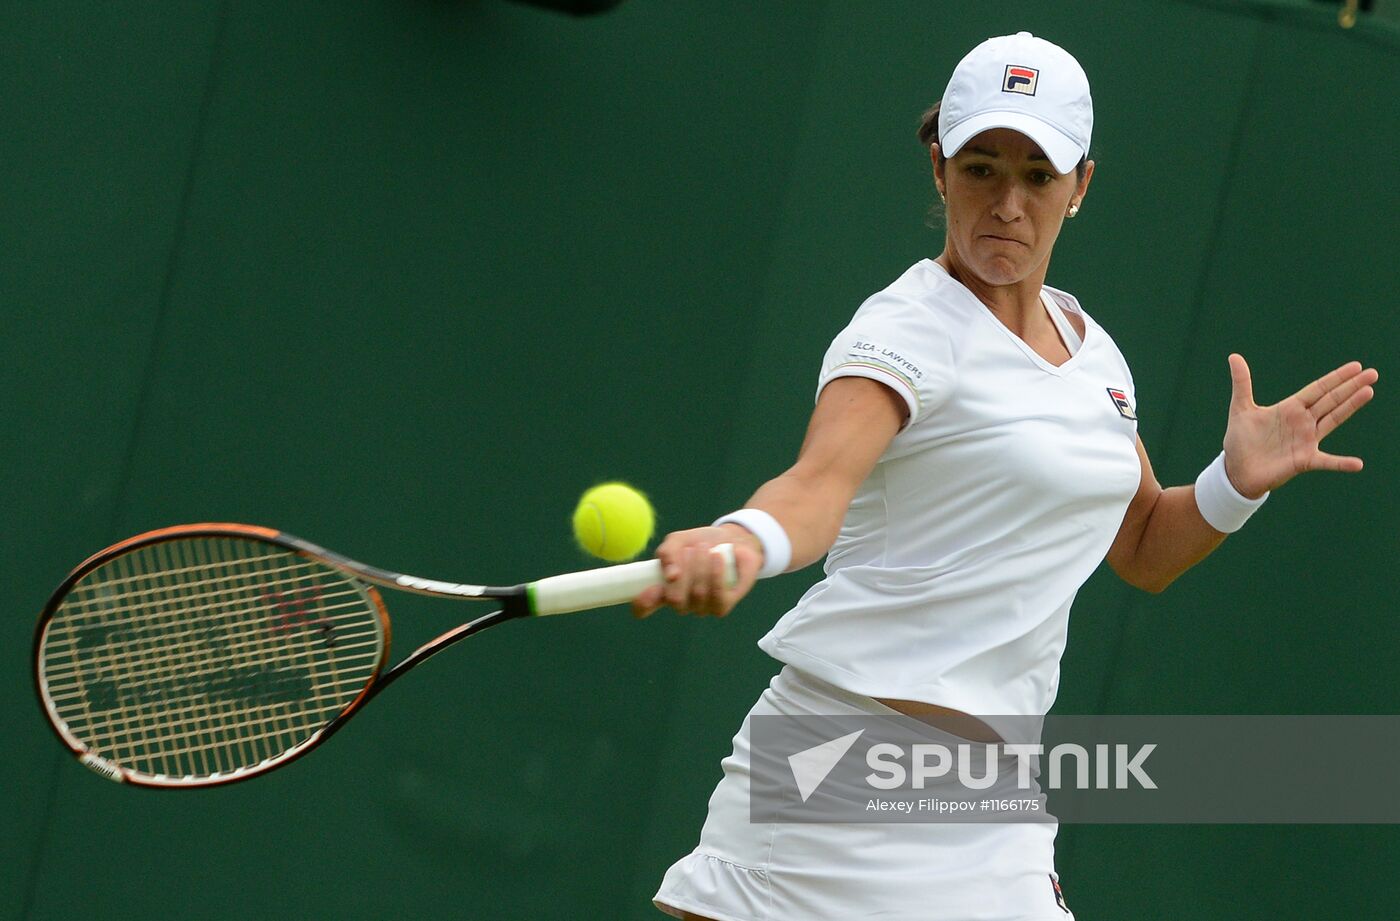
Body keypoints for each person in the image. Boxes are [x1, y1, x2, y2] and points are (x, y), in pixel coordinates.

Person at [637, 31, 1378, 921]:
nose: (1009, 203)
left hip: (991, 809)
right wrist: (743, 538)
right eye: (983, 168)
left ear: (1082, 188)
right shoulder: (905, 331)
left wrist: (1234, 482)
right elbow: (816, 487)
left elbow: (1142, 546)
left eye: (1038, 175)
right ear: (941, 171)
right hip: (830, 773)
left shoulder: (1092, 351)